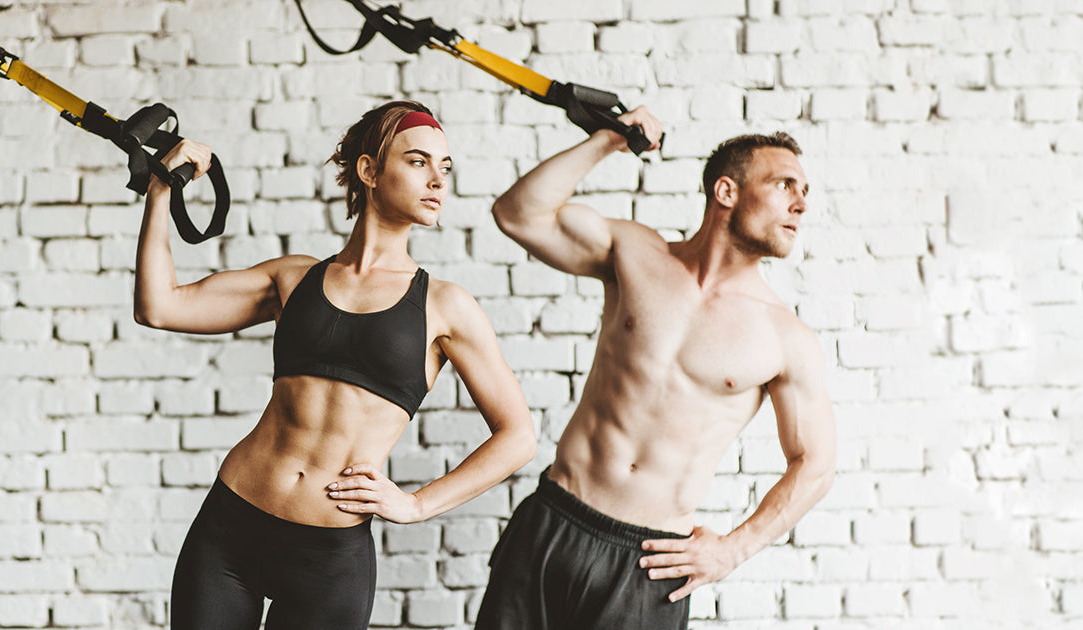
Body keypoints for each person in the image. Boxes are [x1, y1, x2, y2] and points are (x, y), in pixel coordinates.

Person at [134, 100, 536, 630]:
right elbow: (158, 307)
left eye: (445, 168)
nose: (438, 180)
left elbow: (519, 437)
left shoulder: (445, 306)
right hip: (230, 528)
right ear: (369, 171)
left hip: (329, 558)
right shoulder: (293, 278)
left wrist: (416, 505)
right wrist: (163, 187)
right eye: (418, 162)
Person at [474, 107, 836, 630]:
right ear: (727, 192)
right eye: (785, 185)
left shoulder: (785, 337)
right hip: (555, 519)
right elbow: (517, 214)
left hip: (650, 560)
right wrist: (607, 140)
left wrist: (733, 550)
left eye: (804, 193)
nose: (801, 205)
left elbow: (816, 465)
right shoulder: (635, 254)